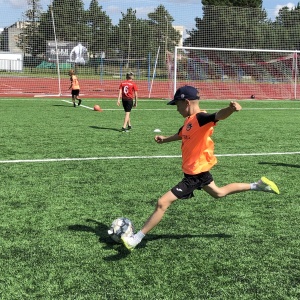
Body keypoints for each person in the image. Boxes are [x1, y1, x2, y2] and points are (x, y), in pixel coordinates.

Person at [121, 85, 280, 251]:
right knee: (219, 193)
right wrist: (164, 139)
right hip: (199, 171)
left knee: (162, 202)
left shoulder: (201, 118)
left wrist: (231, 109)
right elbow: (181, 134)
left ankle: (135, 239)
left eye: (177, 105)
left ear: (187, 102)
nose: (176, 109)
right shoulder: (189, 121)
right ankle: (258, 185)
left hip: (194, 175)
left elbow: (217, 115)